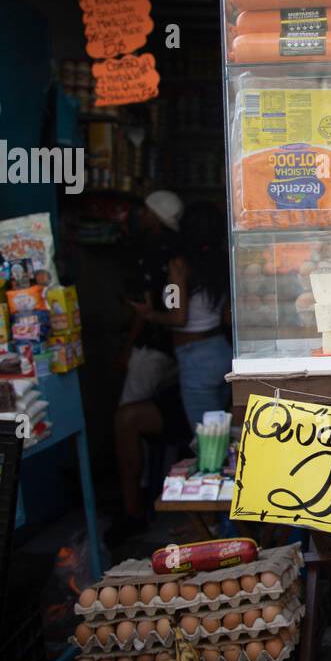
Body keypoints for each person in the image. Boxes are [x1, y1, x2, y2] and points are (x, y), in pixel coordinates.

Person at [111, 201, 232, 544]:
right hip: (219, 353)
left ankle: (212, 526)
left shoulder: (179, 264)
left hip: (194, 357)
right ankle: (214, 522)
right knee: (219, 435)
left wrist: (148, 315)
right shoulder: (222, 263)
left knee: (208, 447)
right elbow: (225, 316)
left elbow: (177, 317)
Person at [117, 190, 184, 407]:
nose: (141, 215)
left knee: (130, 410)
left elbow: (146, 308)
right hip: (174, 346)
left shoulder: (155, 255)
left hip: (152, 346)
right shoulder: (176, 251)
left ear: (155, 215)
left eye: (146, 210)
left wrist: (128, 348)